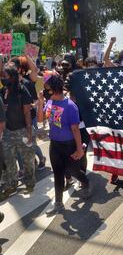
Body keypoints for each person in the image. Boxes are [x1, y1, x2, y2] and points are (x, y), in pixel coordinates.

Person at [43, 73, 92, 214]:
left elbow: (75, 129)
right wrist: (41, 102)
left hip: (69, 145)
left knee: (73, 171)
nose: (45, 91)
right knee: (58, 173)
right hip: (55, 145)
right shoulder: (49, 102)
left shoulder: (71, 106)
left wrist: (79, 149)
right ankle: (58, 202)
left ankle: (86, 182)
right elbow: (41, 119)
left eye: (47, 88)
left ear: (55, 88)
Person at [0, 65, 35, 201]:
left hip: (22, 130)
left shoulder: (21, 90)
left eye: (5, 76)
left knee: (27, 160)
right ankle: (11, 185)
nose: (3, 79)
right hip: (8, 132)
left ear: (13, 77)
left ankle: (30, 183)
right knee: (9, 160)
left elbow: (27, 112)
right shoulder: (2, 91)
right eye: (2, 76)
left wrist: (29, 132)